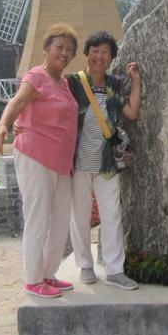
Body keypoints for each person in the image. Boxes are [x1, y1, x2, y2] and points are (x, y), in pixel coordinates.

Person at [0, 23, 80, 298]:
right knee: (38, 219)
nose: (64, 53)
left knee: (59, 222)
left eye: (70, 50)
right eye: (59, 47)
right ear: (46, 48)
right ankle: (33, 280)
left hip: (62, 162)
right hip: (36, 157)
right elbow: (17, 102)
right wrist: (3, 125)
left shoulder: (64, 83)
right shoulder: (36, 76)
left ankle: (48, 274)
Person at [66, 31, 142, 291]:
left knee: (112, 215)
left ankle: (115, 270)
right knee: (80, 215)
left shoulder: (115, 84)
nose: (100, 56)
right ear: (87, 53)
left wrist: (135, 82)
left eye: (106, 52)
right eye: (95, 51)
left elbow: (131, 112)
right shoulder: (72, 83)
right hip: (78, 161)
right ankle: (85, 264)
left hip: (107, 161)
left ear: (111, 58)